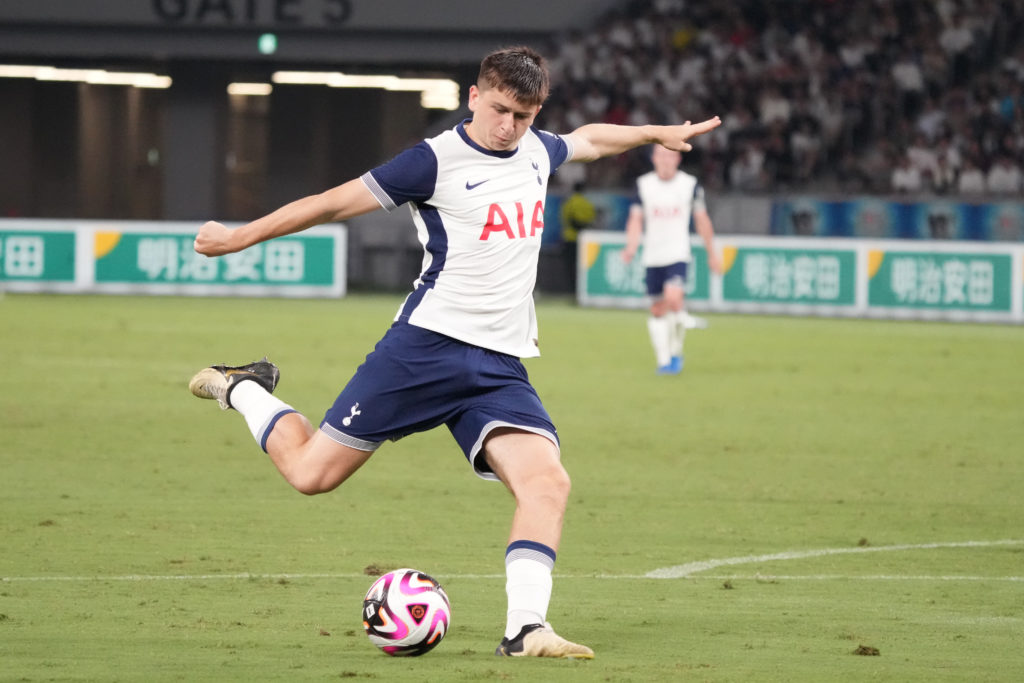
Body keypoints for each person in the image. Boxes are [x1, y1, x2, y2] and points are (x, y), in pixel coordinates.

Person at [187, 46, 720, 659]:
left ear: (534, 112)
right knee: (311, 475)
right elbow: (332, 202)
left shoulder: (537, 150)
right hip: (423, 351)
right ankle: (244, 387)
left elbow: (590, 140)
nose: (506, 127)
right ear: (473, 96)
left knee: (547, 483)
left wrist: (654, 132)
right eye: (497, 110)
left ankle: (526, 629)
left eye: (521, 116)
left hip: (498, 367)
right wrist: (240, 236)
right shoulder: (432, 162)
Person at [622, 144, 722, 375]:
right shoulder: (643, 185)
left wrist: (712, 253)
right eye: (661, 156)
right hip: (652, 256)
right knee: (658, 310)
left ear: (678, 159)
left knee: (673, 298)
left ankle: (675, 352)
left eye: (670, 156)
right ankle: (665, 359)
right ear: (654, 158)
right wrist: (631, 245)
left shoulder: (690, 185)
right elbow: (636, 219)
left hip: (678, 253)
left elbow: (702, 220)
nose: (666, 160)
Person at [558, 180, 597, 292]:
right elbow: (592, 220)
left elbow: (565, 219)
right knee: (582, 266)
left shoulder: (569, 202)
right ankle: (582, 290)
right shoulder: (588, 203)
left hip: (570, 238)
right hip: (584, 240)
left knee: (570, 266)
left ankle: (571, 290)